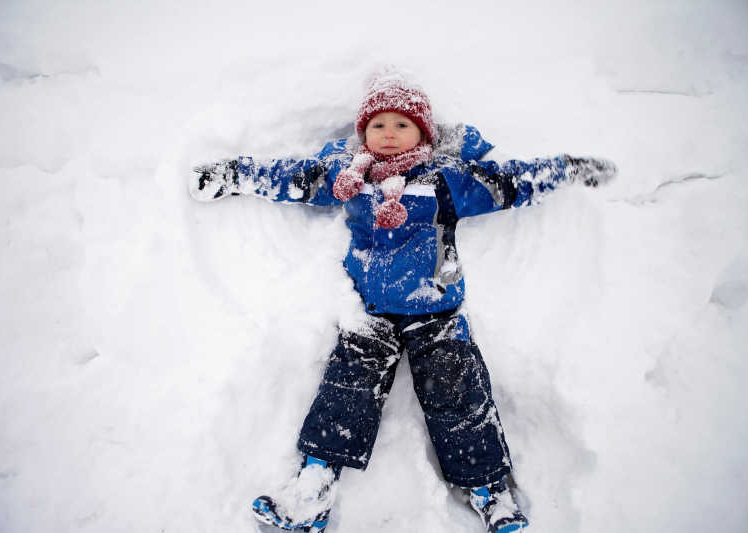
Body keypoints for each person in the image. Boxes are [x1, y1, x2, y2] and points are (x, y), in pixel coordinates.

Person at [190, 72, 616, 533]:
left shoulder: (445, 180)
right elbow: (288, 176)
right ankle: (313, 487)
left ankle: (489, 489)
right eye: (378, 125)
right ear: (364, 132)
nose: (389, 134)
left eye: (401, 125)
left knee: (459, 393)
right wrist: (231, 175)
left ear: (423, 133)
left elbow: (508, 182)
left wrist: (566, 169)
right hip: (369, 312)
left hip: (436, 309)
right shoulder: (347, 177)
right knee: (345, 391)